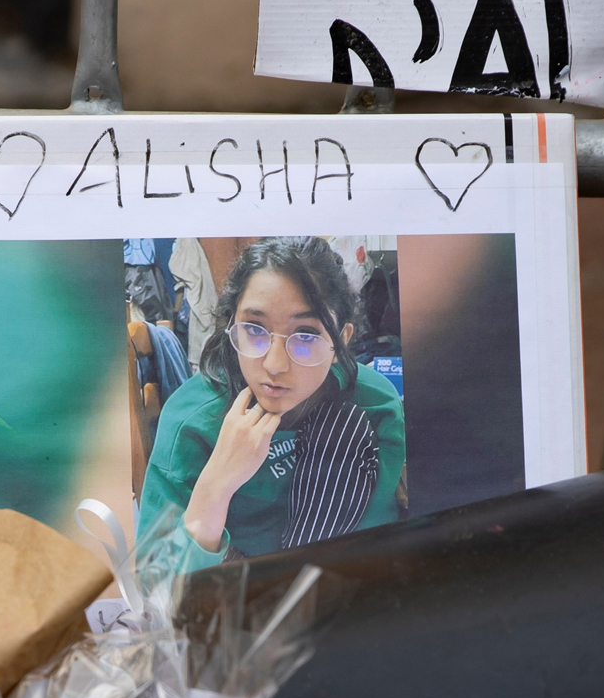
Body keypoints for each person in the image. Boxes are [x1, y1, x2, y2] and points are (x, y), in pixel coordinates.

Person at [137, 237, 405, 570]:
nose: (275, 365)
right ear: (231, 325)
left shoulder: (373, 406)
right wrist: (216, 486)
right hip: (228, 609)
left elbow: (385, 546)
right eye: (254, 329)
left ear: (342, 340)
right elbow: (154, 583)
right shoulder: (193, 420)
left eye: (306, 334)